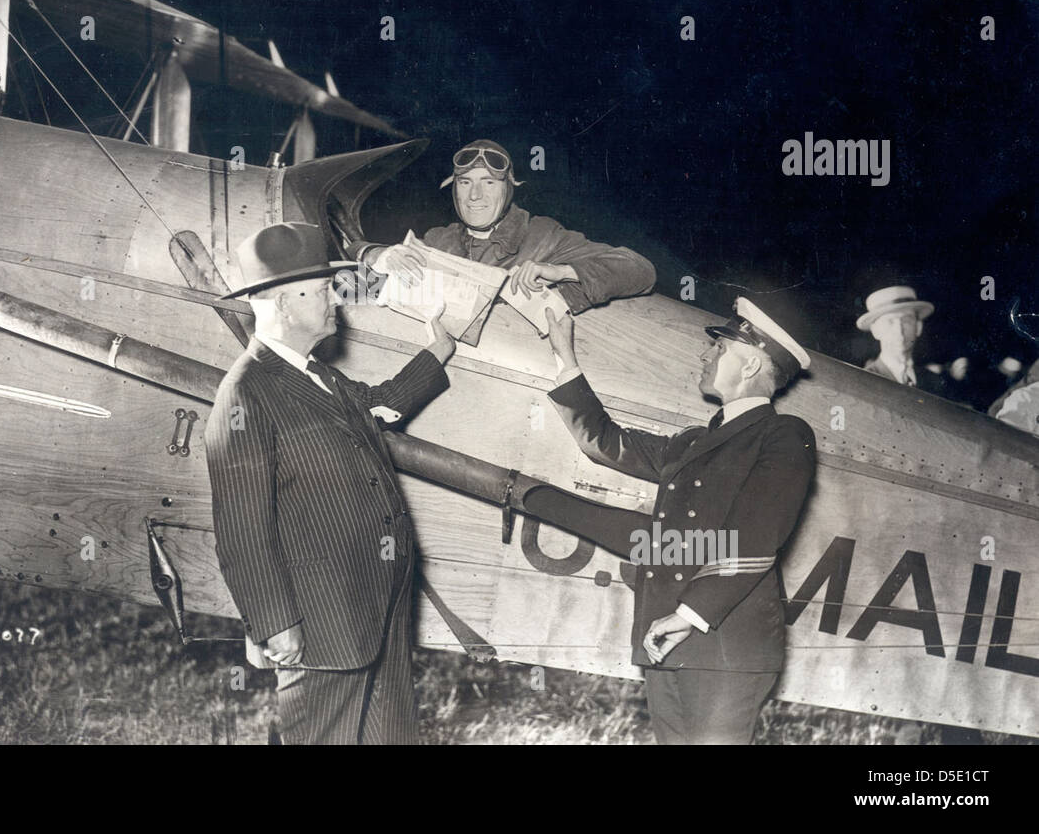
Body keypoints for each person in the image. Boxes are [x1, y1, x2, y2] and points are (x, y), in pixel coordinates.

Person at [205, 222, 455, 745]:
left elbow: (379, 406)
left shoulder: (321, 375)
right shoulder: (246, 394)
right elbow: (241, 527)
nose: (334, 300)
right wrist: (273, 622)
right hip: (321, 619)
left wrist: (437, 353)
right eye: (319, 289)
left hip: (378, 604)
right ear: (276, 300)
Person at [528, 297, 816, 744]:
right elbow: (604, 442)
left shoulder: (784, 435)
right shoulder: (692, 442)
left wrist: (688, 614)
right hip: (666, 635)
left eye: (719, 350)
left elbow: (755, 539)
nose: (704, 355)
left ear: (750, 366)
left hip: (722, 642)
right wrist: (565, 356)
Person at [357, 139, 655, 314]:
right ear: (453, 188)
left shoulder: (542, 235)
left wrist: (561, 271)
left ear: (509, 188)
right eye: (465, 183)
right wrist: (373, 255)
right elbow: (341, 286)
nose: (475, 196)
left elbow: (641, 270)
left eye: (489, 182)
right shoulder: (438, 240)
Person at [857, 285, 946, 395]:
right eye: (890, 321)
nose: (899, 330)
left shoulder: (935, 383)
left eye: (906, 320)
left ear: (918, 327)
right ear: (876, 331)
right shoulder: (864, 382)